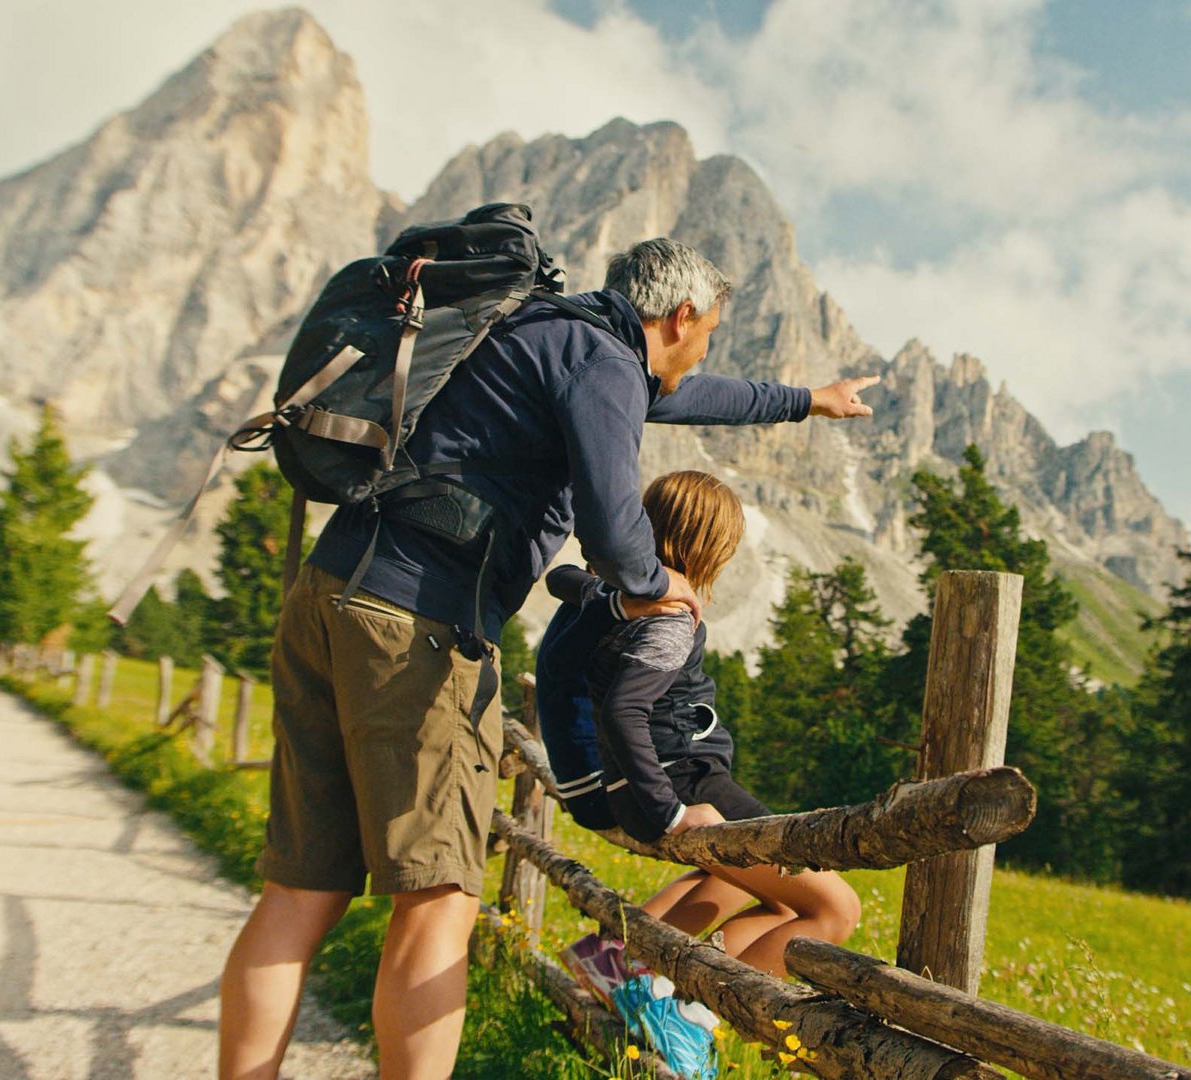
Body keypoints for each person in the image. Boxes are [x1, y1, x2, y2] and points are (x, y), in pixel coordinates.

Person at [217, 238, 878, 1080]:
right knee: (437, 905)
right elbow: (611, 520)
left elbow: (687, 393)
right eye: (707, 333)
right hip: (416, 625)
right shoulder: (601, 362)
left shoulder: (540, 331)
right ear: (680, 317)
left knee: (299, 894)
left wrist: (805, 401)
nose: (704, 352)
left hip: (333, 587)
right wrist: (654, 586)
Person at [543, 471, 862, 979]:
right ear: (712, 546)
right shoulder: (669, 617)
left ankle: (619, 966)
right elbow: (623, 711)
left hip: (671, 777)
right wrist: (670, 814)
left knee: (746, 881)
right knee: (834, 908)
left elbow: (561, 579)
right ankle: (691, 1014)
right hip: (683, 780)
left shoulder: (617, 593)